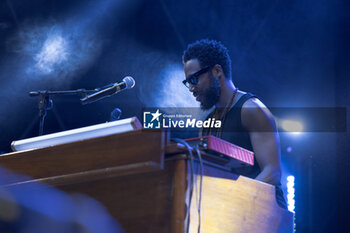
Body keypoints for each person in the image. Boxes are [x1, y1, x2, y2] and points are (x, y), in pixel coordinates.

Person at [182, 39, 287, 208]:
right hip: (233, 212)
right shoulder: (207, 124)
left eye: (194, 79)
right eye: (187, 82)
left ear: (217, 71)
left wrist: (231, 200)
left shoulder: (252, 109)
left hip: (267, 214)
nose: (191, 88)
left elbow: (272, 173)